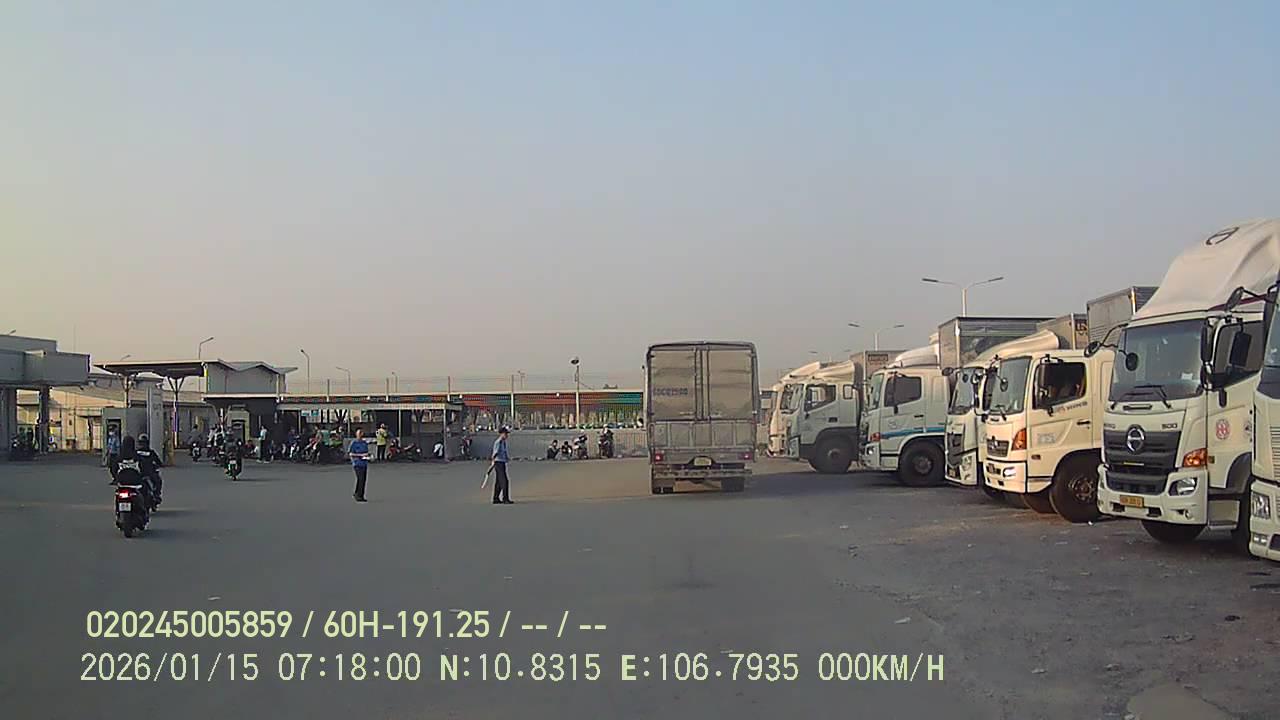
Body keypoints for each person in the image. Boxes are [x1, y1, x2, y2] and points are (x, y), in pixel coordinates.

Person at [136, 433, 164, 505]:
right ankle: (156, 495)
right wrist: (160, 465)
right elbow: (158, 461)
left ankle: (155, 496)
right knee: (158, 481)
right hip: (149, 473)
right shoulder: (151, 452)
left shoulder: (136, 452)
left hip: (139, 473)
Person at [489, 426, 512, 504]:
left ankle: (496, 498)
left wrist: (506, 458)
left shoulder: (503, 442)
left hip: (502, 462)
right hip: (498, 463)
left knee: (498, 482)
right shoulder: (498, 442)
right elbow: (495, 453)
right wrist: (493, 461)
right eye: (505, 434)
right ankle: (505, 498)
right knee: (504, 481)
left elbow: (503, 452)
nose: (507, 435)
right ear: (501, 434)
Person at [350, 428, 371, 502]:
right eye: (359, 433)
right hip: (357, 463)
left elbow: (366, 452)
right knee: (360, 479)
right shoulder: (354, 443)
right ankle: (358, 495)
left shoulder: (364, 443)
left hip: (364, 463)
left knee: (363, 480)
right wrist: (360, 455)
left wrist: (368, 456)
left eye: (361, 433)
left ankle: (359, 494)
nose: (360, 435)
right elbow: (351, 454)